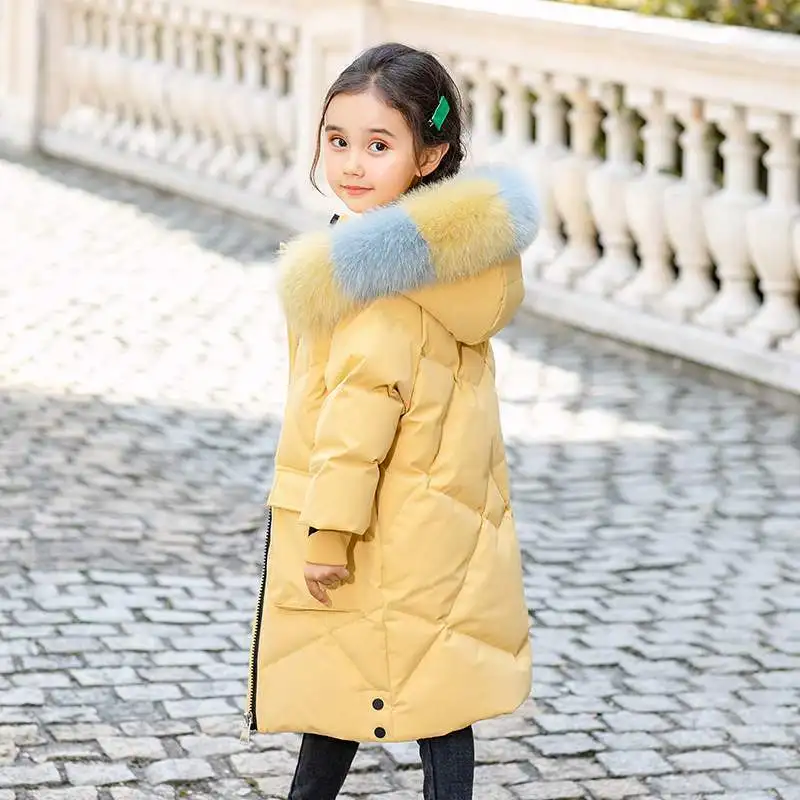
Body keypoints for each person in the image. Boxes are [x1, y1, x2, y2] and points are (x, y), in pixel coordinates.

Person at [243, 41, 539, 800]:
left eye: (379, 145)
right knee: (432, 692)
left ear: (429, 156)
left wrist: (326, 534)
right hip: (440, 526)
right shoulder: (454, 266)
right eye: (338, 139)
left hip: (375, 527)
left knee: (347, 680)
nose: (351, 163)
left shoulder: (376, 282)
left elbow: (356, 419)